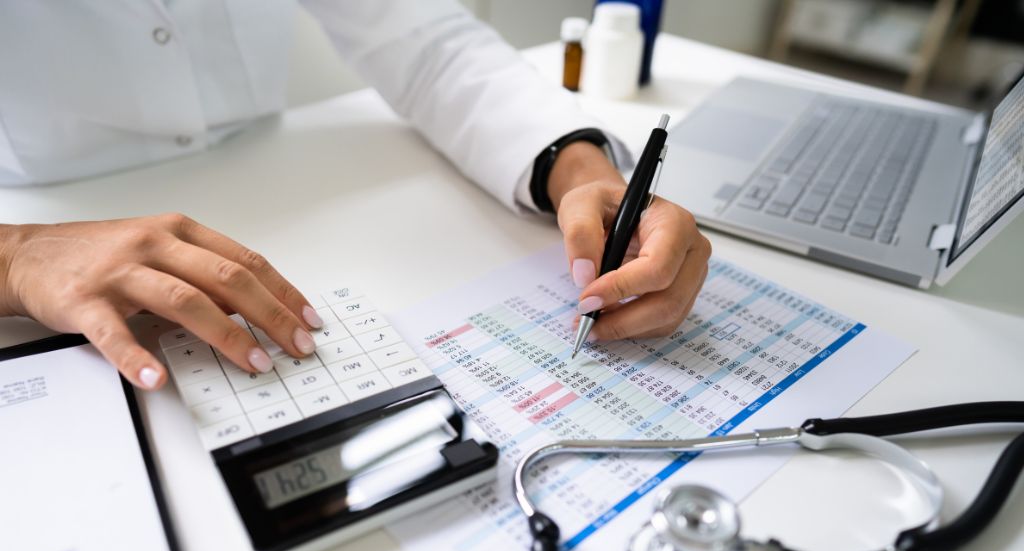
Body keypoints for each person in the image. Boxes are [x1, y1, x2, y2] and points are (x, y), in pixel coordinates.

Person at [0, 0, 710, 391]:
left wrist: (576, 166)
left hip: (280, 179)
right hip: (38, 218)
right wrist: (15, 256)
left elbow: (423, 39)